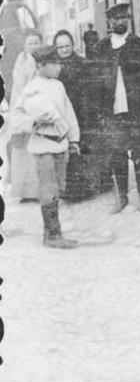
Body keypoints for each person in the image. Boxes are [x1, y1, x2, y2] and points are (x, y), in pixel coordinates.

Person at [9, 45, 80, 248]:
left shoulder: (58, 86)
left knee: (58, 188)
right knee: (48, 189)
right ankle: (52, 235)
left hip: (61, 145)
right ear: (41, 65)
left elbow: (69, 114)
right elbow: (16, 117)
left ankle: (52, 233)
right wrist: (33, 122)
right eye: (54, 64)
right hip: (43, 146)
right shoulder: (32, 88)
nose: (59, 67)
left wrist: (73, 140)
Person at [92, 3, 140, 213]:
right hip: (112, 108)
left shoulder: (138, 44)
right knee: (117, 152)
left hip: (136, 107)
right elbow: (95, 80)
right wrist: (100, 111)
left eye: (123, 18)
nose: (119, 22)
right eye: (115, 19)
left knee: (139, 151)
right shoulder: (102, 48)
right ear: (109, 22)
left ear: (128, 20)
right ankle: (121, 196)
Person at [54, 29, 99, 201]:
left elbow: (90, 89)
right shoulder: (52, 67)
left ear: (72, 46)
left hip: (82, 111)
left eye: (67, 46)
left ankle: (87, 186)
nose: (64, 50)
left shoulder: (82, 63)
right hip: (62, 112)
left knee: (83, 149)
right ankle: (69, 190)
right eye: (60, 47)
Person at [9, 29, 43, 201]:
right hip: (24, 105)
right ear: (24, 45)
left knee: (38, 150)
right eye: (30, 43)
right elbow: (18, 87)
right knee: (23, 151)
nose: (34, 46)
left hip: (39, 107)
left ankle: (37, 190)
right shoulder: (21, 62)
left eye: (37, 42)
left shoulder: (43, 60)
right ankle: (24, 191)